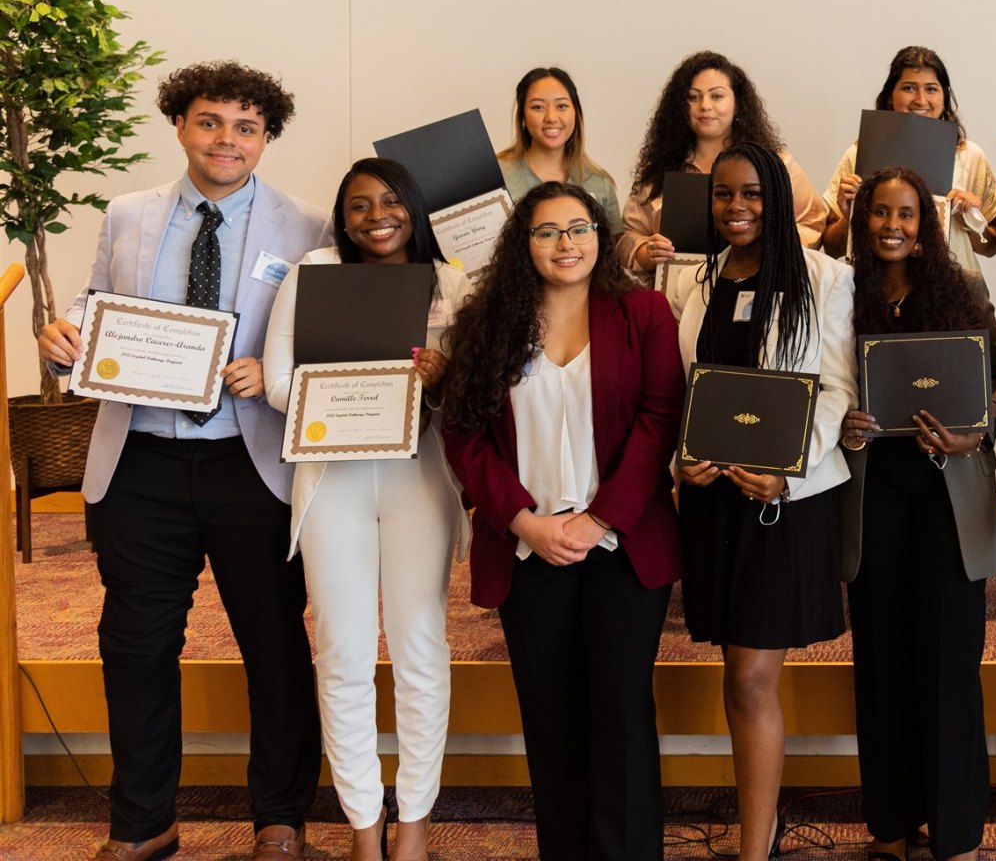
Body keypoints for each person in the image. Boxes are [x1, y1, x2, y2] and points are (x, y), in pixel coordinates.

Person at [36, 61, 326, 861]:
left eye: (245, 127)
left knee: (273, 644)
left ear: (265, 138)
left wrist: (277, 372)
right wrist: (64, 336)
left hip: (251, 463)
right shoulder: (128, 214)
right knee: (136, 646)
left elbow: (323, 339)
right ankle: (143, 823)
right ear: (180, 125)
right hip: (141, 463)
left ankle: (280, 819)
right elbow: (95, 306)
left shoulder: (307, 226)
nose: (226, 140)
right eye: (210, 121)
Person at [440, 182, 683, 861]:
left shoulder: (644, 312)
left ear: (601, 236)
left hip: (621, 545)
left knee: (622, 712)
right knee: (551, 719)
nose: (565, 243)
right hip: (529, 548)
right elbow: (464, 433)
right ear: (524, 244)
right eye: (547, 231)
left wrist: (599, 517)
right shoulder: (490, 322)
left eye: (579, 228)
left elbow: (660, 417)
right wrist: (524, 522)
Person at [261, 157, 472, 861]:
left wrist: (440, 382)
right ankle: (362, 822)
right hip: (334, 480)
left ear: (413, 206)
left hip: (421, 479)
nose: (376, 216)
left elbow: (471, 391)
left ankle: (414, 821)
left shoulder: (449, 281)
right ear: (342, 218)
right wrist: (342, 391)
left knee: (420, 646)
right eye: (358, 205)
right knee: (342, 650)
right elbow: (278, 381)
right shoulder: (313, 272)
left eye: (390, 201)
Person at [665, 140, 855, 861]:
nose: (736, 207)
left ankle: (755, 845)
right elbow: (684, 389)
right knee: (735, 673)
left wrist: (788, 471)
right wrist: (681, 461)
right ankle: (760, 827)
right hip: (713, 502)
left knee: (749, 678)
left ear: (776, 197)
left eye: (751, 194)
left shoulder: (825, 278)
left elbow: (837, 392)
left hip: (782, 503)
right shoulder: (699, 280)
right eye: (723, 195)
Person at [837, 167, 996, 861]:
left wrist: (977, 432)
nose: (892, 225)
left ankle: (955, 833)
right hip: (872, 488)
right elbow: (819, 383)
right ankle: (889, 825)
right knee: (881, 661)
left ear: (925, 224)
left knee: (948, 664)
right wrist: (842, 426)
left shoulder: (961, 288)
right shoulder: (840, 292)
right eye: (880, 212)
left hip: (949, 493)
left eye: (906, 214)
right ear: (863, 220)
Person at [617, 50, 828, 275]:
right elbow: (625, 237)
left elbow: (812, 223)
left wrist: (775, 245)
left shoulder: (775, 163)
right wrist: (646, 253)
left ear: (738, 103)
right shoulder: (660, 169)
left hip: (758, 288)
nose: (705, 105)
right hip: (675, 290)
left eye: (716, 96)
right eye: (693, 97)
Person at [818, 47, 996, 275]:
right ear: (890, 96)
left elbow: (993, 247)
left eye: (931, 89)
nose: (921, 100)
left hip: (952, 287)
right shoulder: (859, 155)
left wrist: (970, 219)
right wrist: (848, 217)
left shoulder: (971, 156)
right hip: (874, 286)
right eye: (909, 88)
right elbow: (831, 248)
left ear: (944, 97)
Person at [495, 65, 625, 233]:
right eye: (538, 107)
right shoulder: (495, 177)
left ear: (576, 113)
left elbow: (614, 246)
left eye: (561, 106)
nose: (551, 117)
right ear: (523, 117)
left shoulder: (600, 183)